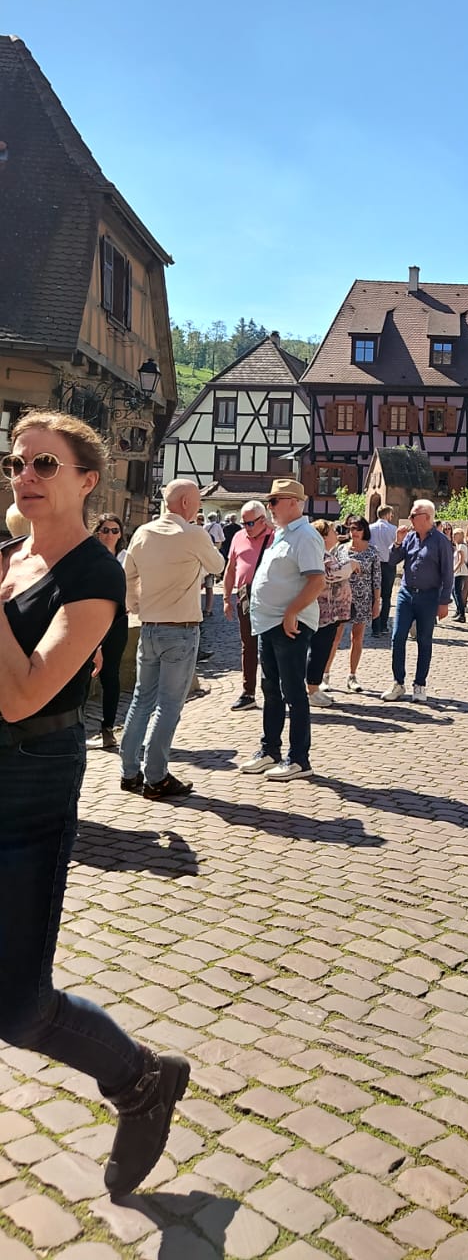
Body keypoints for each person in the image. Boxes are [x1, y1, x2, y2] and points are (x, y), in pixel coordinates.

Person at [0, 410, 189, 1198]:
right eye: (17, 462)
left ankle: (140, 1078)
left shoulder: (95, 575)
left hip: (30, 777)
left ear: (87, 480)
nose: (25, 475)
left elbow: (23, 695)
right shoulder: (9, 559)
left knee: (19, 1009)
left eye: (45, 463)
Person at [120, 480, 224, 800]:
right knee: (168, 706)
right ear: (185, 503)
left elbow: (127, 575)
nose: (199, 508)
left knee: (141, 700)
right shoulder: (193, 534)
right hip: (180, 628)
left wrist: (136, 604)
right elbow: (218, 566)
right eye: (197, 502)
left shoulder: (143, 532)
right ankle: (156, 778)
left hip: (149, 627)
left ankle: (129, 772)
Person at [239, 477, 325, 779]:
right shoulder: (282, 534)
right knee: (271, 689)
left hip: (288, 624)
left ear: (293, 503)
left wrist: (292, 611)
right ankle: (269, 750)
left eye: (274, 502)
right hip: (270, 622)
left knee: (292, 691)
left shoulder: (305, 536)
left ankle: (299, 758)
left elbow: (317, 580)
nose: (270, 507)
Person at [381, 500, 453, 703]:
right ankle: (398, 682)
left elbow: (447, 573)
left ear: (427, 517)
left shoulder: (441, 541)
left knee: (424, 639)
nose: (410, 519)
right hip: (406, 594)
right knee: (397, 637)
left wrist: (444, 602)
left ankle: (420, 684)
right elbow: (392, 560)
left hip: (429, 597)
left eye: (413, 515)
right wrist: (397, 542)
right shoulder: (410, 537)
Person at [222, 501, 274, 710]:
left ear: (263, 520)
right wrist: (226, 598)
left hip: (270, 597)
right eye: (244, 523)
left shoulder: (276, 536)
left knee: (271, 644)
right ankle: (248, 693)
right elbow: (230, 569)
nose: (247, 527)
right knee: (248, 645)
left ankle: (274, 692)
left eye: (251, 523)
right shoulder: (238, 536)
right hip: (245, 595)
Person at [306, 520, 356, 705]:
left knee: (324, 649)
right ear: (324, 536)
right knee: (318, 650)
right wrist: (351, 565)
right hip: (323, 613)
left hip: (331, 613)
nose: (337, 534)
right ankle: (312, 690)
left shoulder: (327, 553)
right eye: (333, 531)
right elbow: (330, 574)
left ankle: (315, 687)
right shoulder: (319, 554)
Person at [92, 513, 130, 749]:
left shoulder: (126, 558)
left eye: (115, 530)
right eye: (105, 530)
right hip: (91, 620)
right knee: (84, 674)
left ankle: (107, 728)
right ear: (98, 532)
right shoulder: (90, 557)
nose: (109, 534)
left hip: (117, 622)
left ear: (120, 534)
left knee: (110, 675)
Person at [339, 517, 380, 691]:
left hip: (363, 599)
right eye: (351, 528)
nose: (354, 532)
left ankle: (352, 675)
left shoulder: (372, 552)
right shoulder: (341, 549)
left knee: (356, 638)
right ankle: (325, 675)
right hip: (341, 598)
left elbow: (376, 579)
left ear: (364, 530)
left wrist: (376, 602)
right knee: (335, 637)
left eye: (358, 529)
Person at [369, 505, 397, 635]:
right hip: (388, 565)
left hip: (374, 564)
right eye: (391, 514)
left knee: (374, 596)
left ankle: (375, 626)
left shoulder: (370, 528)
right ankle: (384, 625)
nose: (392, 516)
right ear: (387, 515)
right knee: (386, 597)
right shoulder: (393, 529)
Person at [451, 529, 468, 622]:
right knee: (454, 591)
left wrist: (454, 570)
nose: (454, 536)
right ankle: (458, 610)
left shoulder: (461, 546)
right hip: (458, 572)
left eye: (456, 534)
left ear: (461, 536)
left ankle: (462, 614)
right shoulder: (459, 546)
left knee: (457, 592)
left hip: (460, 572)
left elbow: (461, 561)